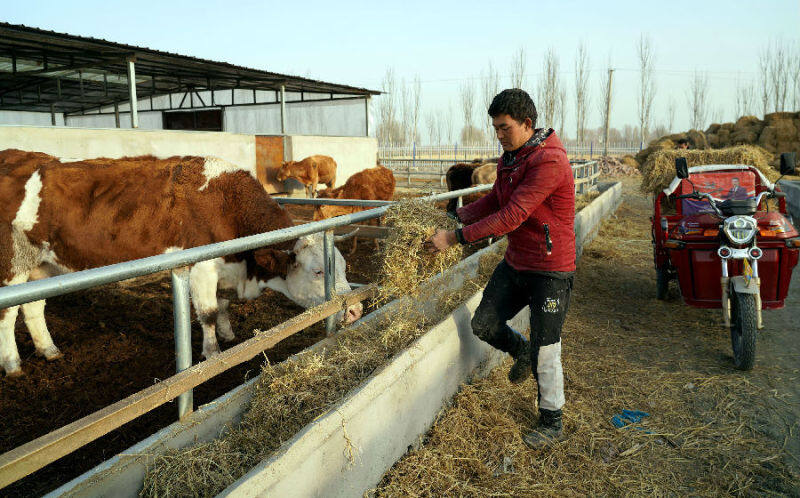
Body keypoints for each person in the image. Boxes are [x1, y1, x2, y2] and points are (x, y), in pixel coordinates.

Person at [424, 89, 575, 449]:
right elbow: (495, 200)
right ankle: (519, 351)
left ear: (527, 124)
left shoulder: (549, 161)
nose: (499, 134)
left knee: (547, 347)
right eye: (495, 128)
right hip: (517, 261)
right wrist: (455, 214)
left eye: (504, 127)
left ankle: (552, 419)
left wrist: (455, 237)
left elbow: (511, 215)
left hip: (550, 269)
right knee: (484, 324)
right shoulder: (512, 156)